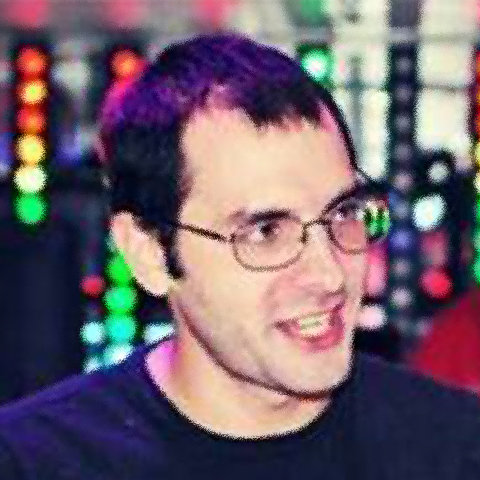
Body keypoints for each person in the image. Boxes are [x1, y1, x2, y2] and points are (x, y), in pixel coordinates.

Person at [0, 32, 479, 479]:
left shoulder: (455, 447)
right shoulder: (34, 461)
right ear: (148, 254)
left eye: (343, 212)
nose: (329, 274)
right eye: (266, 232)